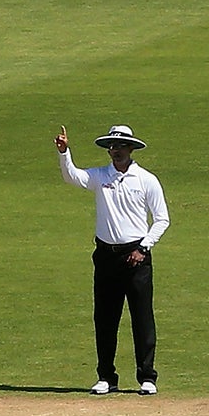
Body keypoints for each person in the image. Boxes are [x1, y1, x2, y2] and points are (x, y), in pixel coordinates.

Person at [57, 124, 169, 395]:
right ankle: (106, 376)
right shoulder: (101, 176)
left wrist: (143, 248)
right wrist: (64, 152)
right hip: (106, 256)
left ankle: (147, 377)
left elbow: (162, 219)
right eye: (112, 147)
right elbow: (73, 177)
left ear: (131, 149)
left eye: (120, 146)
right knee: (105, 319)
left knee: (142, 318)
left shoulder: (146, 179)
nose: (115, 151)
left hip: (137, 256)